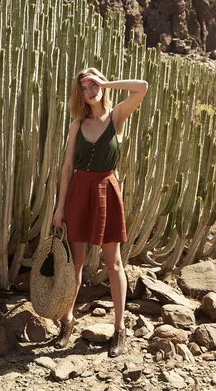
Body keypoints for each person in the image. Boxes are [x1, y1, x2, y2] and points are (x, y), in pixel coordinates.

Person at [53, 67, 148, 357]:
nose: (90, 91)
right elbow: (68, 166)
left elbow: (142, 85)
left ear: (103, 86)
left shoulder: (117, 117)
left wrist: (106, 82)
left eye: (93, 85)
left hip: (107, 189)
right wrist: (60, 207)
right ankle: (67, 321)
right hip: (79, 192)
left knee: (114, 264)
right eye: (84, 88)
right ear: (79, 94)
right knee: (76, 264)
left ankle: (119, 329)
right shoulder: (76, 125)